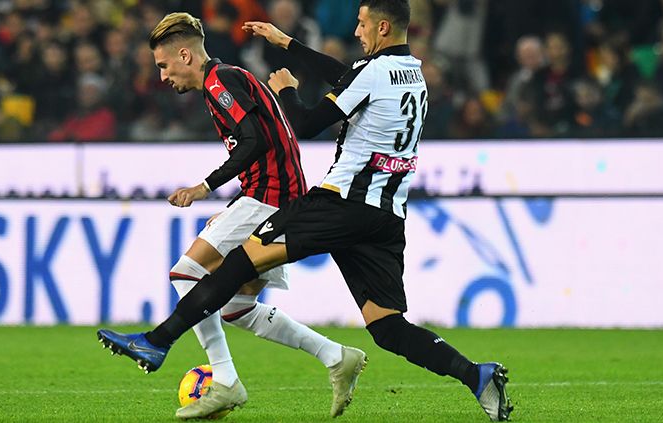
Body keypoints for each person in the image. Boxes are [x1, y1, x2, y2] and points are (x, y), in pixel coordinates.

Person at [105, 0, 514, 420]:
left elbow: (304, 124)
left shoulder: (368, 73)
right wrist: (288, 43)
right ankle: (476, 375)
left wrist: (286, 89)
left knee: (237, 264)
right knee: (387, 328)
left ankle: (158, 341)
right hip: (386, 215)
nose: (357, 32)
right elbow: (346, 76)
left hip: (340, 202)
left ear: (383, 26)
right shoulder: (414, 75)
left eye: (362, 24)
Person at [95, 12, 367, 421]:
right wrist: (233, 206)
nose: (164, 77)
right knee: (235, 305)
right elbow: (265, 142)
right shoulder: (229, 78)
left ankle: (224, 380)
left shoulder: (220, 82)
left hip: (269, 198)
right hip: (277, 197)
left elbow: (255, 142)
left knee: (186, 274)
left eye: (164, 66)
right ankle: (335, 355)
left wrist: (204, 187)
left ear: (185, 55)